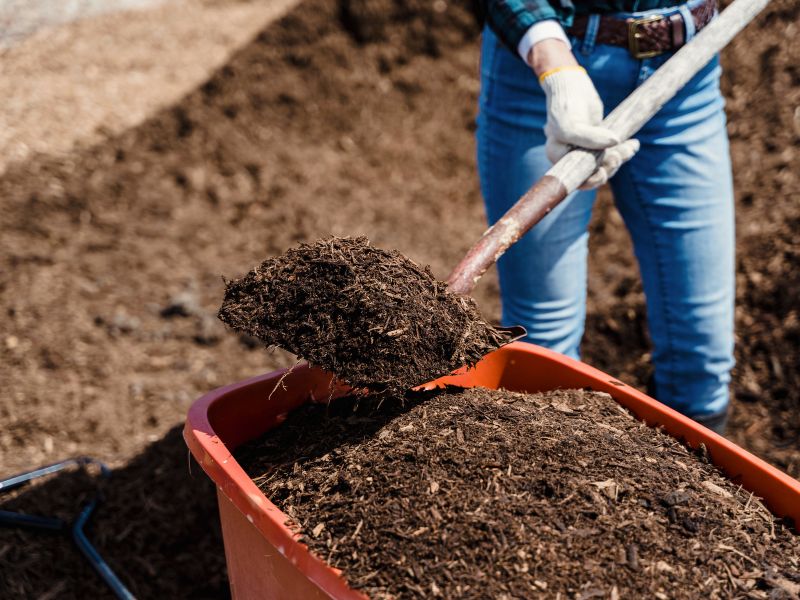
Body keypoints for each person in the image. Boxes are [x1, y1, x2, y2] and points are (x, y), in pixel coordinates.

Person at [476, 0, 732, 434]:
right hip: (546, 71)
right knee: (545, 349)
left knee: (702, 355)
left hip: (687, 69)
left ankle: (688, 494)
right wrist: (554, 64)